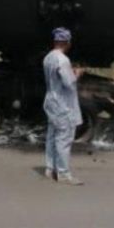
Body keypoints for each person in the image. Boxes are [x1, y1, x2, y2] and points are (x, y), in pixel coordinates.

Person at [42, 27, 84, 186]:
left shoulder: (48, 57)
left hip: (51, 100)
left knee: (52, 136)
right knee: (64, 138)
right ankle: (63, 173)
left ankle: (49, 168)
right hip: (62, 104)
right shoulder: (63, 60)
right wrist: (77, 73)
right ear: (67, 42)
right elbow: (69, 82)